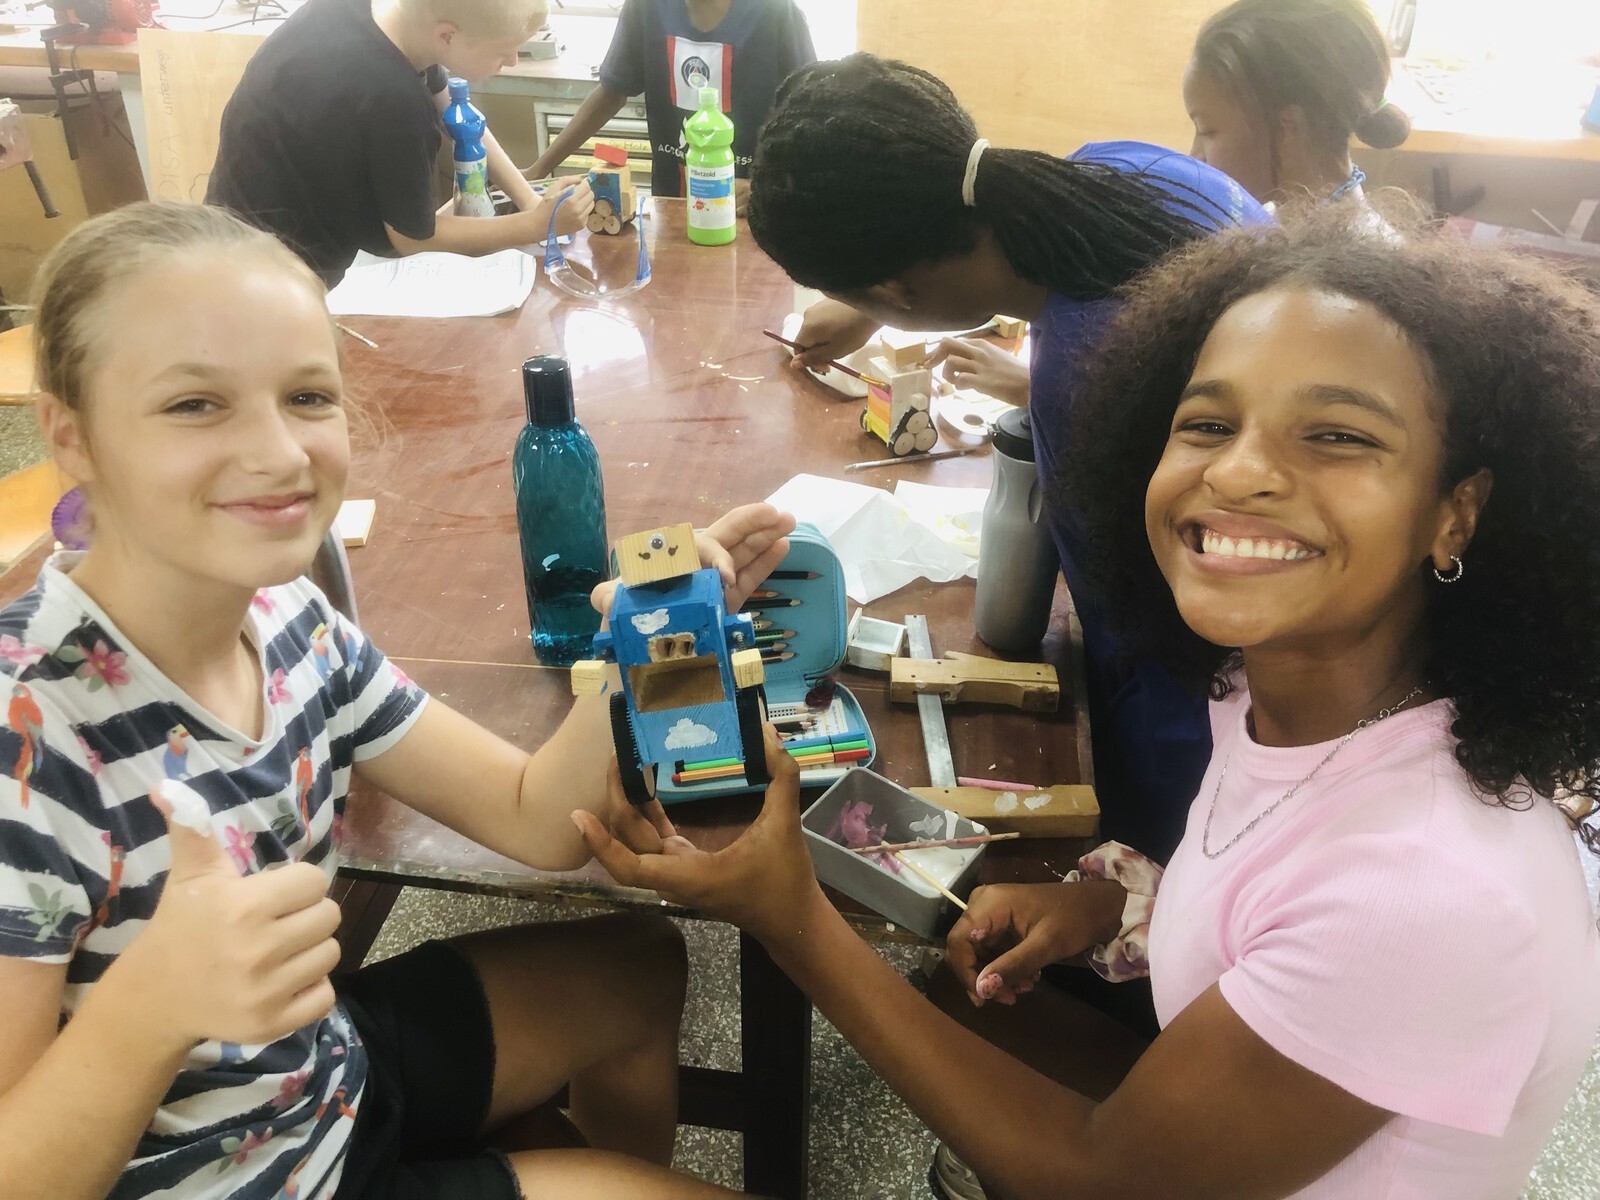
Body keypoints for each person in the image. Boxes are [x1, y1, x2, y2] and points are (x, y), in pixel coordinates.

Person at [577, 207, 1600, 1200]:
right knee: (958, 998)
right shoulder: (1286, 695)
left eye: (1335, 435)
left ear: (1456, 512)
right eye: (1207, 423)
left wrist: (790, 915)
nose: (1239, 470)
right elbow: (1283, 878)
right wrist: (1119, 905)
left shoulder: (1423, 885)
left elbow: (1100, 1178)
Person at [0, 201, 794, 1200]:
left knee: (638, 962)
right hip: (232, 1181)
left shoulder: (289, 618)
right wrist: (148, 1009)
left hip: (317, 1079)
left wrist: (648, 638)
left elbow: (533, 817)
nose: (279, 453)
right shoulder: (24, 746)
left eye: (306, 396)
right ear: (70, 434)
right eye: (195, 404)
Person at [752, 52, 1269, 870]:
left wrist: (1131, 857)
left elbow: (1142, 637)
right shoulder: (1116, 170)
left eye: (863, 294)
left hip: (1220, 724)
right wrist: (875, 306)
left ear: (900, 287)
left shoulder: (1086, 379)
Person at [207, 0, 595, 284]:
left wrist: (529, 200)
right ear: (447, 35)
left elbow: (450, 104)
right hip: (277, 269)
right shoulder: (393, 98)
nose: (512, 60)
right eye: (504, 50)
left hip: (227, 231)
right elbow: (413, 238)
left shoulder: (386, 20)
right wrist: (534, 225)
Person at [524, 0, 815, 202]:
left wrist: (767, 186)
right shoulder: (646, 8)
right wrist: (537, 170)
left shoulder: (778, 12)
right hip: (672, 200)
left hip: (751, 209)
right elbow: (612, 91)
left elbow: (810, 114)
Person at [1184, 0, 1412, 208]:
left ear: (1288, 129)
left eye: (1206, 131)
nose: (1194, 156)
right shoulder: (1289, 217)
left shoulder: (1329, 241)